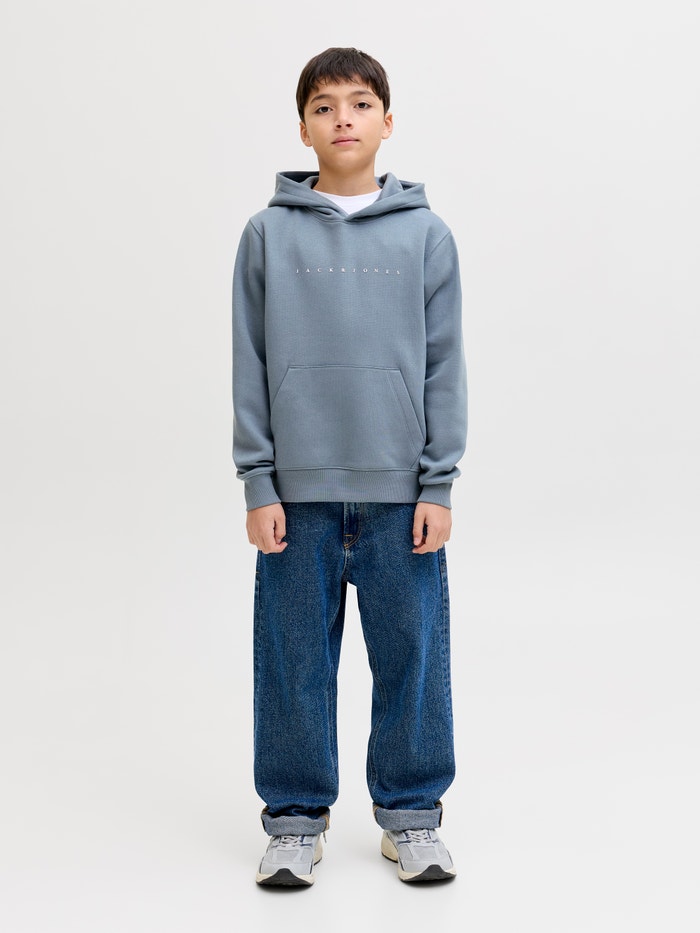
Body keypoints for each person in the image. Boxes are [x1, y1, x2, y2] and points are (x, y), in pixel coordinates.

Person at [231, 47, 467, 886]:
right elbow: (250, 363)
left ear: (387, 122)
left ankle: (412, 816)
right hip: (297, 497)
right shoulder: (266, 235)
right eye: (324, 105)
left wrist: (437, 482)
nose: (343, 118)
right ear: (304, 127)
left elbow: (444, 365)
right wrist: (258, 481)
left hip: (401, 496)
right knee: (294, 662)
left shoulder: (427, 236)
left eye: (360, 103)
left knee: (412, 659)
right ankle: (295, 822)